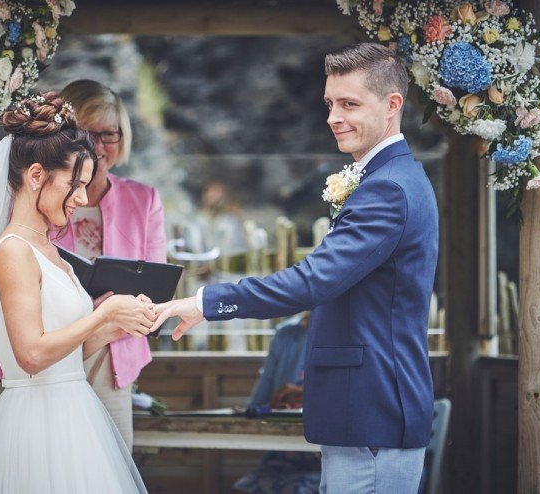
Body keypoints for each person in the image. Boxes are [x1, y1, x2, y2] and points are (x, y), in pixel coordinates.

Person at [152, 43, 439, 493]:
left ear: (392, 105)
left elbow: (313, 281)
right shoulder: (389, 180)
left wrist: (208, 301)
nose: (333, 117)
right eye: (330, 103)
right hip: (363, 412)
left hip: (373, 414)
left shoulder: (389, 189)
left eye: (349, 104)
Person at [0, 92, 152, 492]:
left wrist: (115, 326)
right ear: (36, 176)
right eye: (75, 184)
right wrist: (99, 315)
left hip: (73, 412)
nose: (82, 198)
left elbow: (64, 355)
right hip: (36, 424)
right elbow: (30, 356)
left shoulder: (50, 250)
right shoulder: (14, 251)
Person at [53, 80, 167, 450]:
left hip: (114, 354)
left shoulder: (144, 200)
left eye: (109, 134)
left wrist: (113, 317)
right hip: (52, 345)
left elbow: (158, 286)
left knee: (112, 460)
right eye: (86, 133)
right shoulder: (43, 196)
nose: (98, 146)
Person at [232, 313, 320, 494]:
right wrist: (276, 401)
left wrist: (309, 397)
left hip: (324, 462)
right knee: (241, 490)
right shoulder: (286, 333)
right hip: (281, 457)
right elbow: (258, 402)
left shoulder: (347, 332)